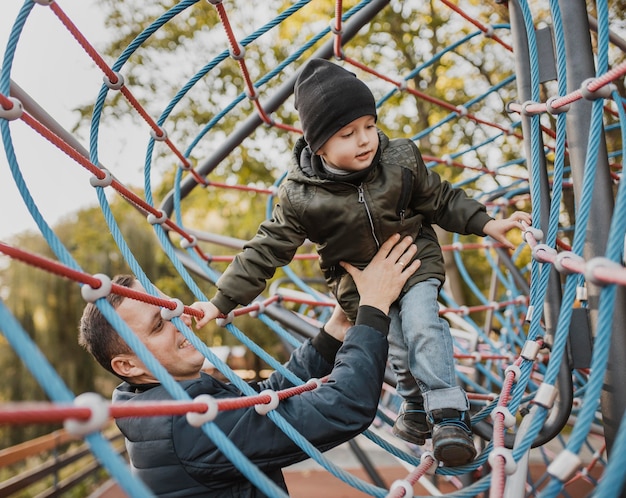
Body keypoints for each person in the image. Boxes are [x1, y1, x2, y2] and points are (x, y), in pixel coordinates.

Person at [201, 58, 532, 467]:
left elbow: (440, 198)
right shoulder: (300, 196)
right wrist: (221, 302)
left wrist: (486, 223)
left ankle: (449, 415)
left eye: (370, 126)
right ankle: (414, 406)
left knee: (422, 326)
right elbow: (267, 247)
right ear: (319, 145)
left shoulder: (399, 160)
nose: (365, 140)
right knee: (395, 344)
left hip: (413, 263)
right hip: (361, 288)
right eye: (348, 133)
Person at [79, 234, 420, 497]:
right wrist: (375, 306)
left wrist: (333, 334)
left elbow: (261, 399)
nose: (179, 321)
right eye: (158, 325)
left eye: (170, 310)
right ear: (127, 366)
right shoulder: (183, 428)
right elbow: (344, 406)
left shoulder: (167, 405)